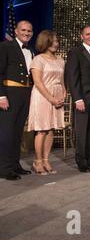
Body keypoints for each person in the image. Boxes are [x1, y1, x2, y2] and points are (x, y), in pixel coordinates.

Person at [65, 25, 90, 173]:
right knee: (82, 132)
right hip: (83, 99)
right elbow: (72, 77)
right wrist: (77, 99)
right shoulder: (75, 53)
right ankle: (82, 161)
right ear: (81, 36)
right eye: (87, 34)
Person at [28, 30, 66, 175]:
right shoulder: (38, 59)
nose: (56, 44)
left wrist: (63, 94)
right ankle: (37, 161)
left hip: (57, 96)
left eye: (57, 41)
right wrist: (51, 98)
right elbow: (37, 82)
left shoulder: (60, 60)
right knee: (42, 130)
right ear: (46, 42)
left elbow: (62, 81)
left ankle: (45, 160)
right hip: (42, 96)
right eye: (53, 41)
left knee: (51, 129)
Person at [0, 20, 34, 180]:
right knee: (7, 133)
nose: (26, 33)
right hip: (10, 94)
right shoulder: (5, 46)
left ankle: (15, 165)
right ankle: (4, 168)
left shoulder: (31, 51)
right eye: (23, 30)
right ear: (16, 31)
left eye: (29, 31)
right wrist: (1, 96)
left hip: (25, 94)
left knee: (18, 132)